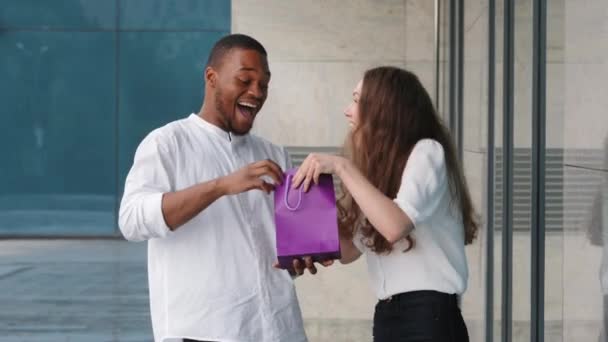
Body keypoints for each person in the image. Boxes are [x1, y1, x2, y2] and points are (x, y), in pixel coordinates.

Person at [119, 33, 326, 342]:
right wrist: (221, 186)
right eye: (244, 80)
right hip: (204, 331)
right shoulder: (167, 143)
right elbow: (132, 221)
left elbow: (278, 254)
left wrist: (299, 258)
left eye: (264, 85)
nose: (256, 93)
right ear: (211, 77)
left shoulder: (275, 154)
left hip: (280, 330)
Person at [293, 66, 478, 341]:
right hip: (389, 316)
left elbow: (395, 226)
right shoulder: (375, 174)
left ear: (383, 108)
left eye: (356, 100)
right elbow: (348, 253)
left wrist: (343, 167)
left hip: (428, 317)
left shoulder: (427, 151)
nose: (347, 110)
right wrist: (310, 241)